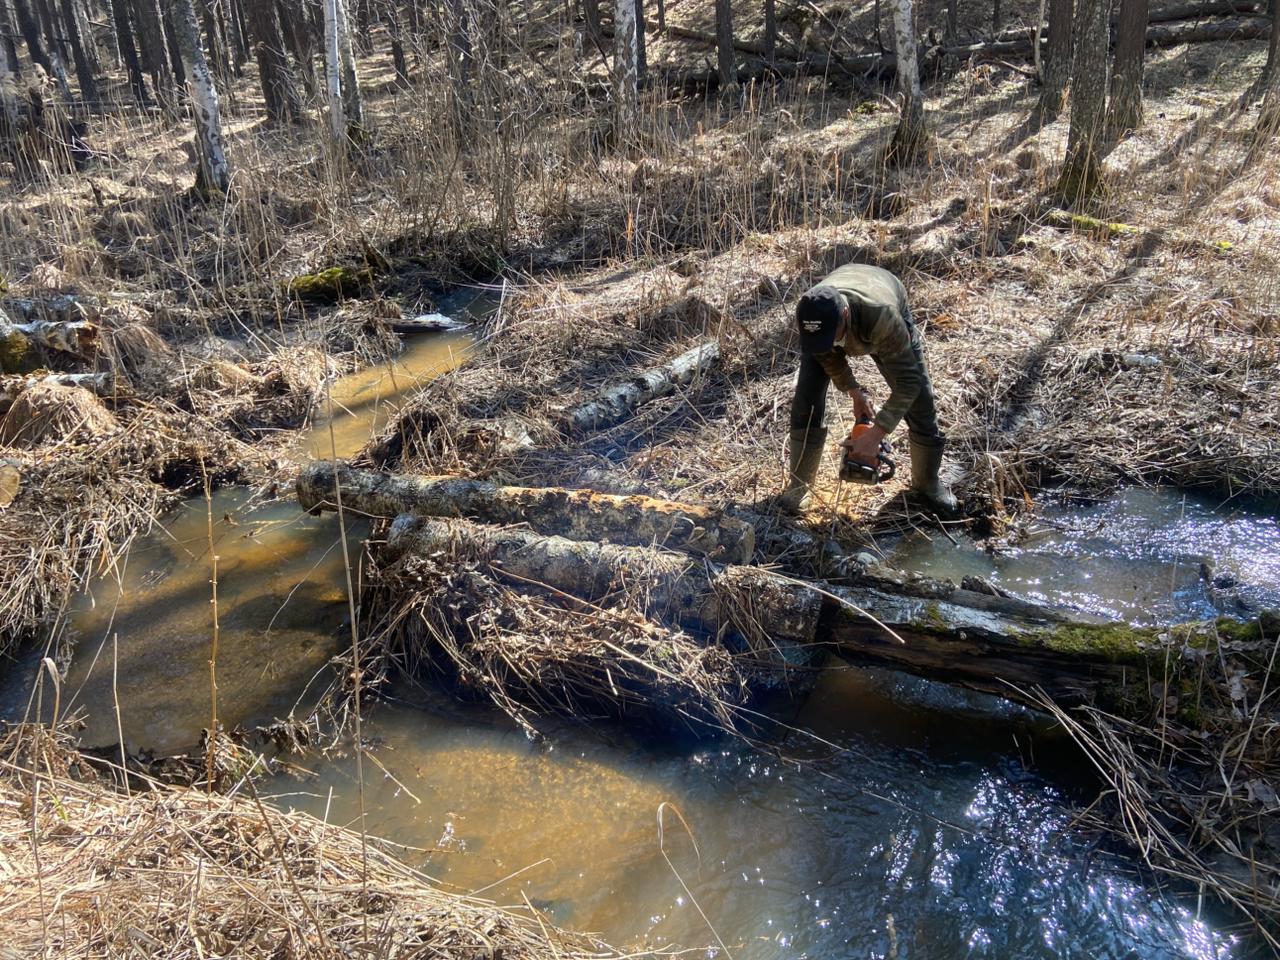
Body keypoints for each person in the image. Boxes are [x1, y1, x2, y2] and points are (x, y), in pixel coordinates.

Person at [780, 263, 958, 514]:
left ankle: (927, 483)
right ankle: (799, 486)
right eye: (821, 338)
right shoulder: (812, 316)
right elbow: (826, 355)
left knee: (920, 399)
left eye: (832, 336)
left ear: (844, 314)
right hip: (842, 291)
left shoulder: (883, 318)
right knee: (806, 400)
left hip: (882, 294)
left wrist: (876, 434)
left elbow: (909, 382)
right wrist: (854, 392)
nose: (829, 344)